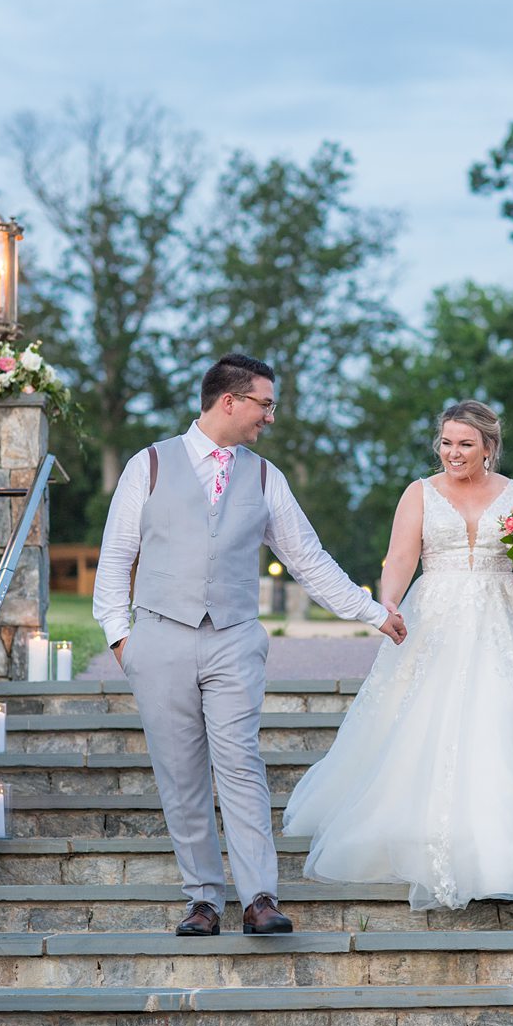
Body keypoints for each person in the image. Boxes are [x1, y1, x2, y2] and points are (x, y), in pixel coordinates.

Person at [284, 400, 513, 910]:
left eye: (465, 444)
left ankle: (507, 848)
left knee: (503, 722)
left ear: (488, 447)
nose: (453, 453)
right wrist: (387, 603)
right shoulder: (418, 493)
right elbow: (400, 558)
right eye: (446, 442)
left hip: (502, 622)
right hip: (435, 619)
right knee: (422, 722)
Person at [92, 353, 407, 938]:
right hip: (157, 638)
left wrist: (370, 613)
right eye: (265, 404)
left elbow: (307, 560)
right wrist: (121, 640)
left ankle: (259, 896)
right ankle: (203, 899)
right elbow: (116, 557)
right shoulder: (150, 465)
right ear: (229, 401)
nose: (271, 417)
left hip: (235, 638)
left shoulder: (265, 477)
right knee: (180, 772)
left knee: (240, 762)